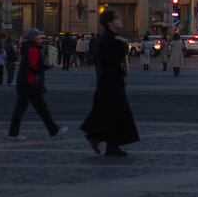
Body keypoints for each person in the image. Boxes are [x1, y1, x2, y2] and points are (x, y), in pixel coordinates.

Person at [80, 10, 140, 156]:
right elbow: (111, 59)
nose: (120, 20)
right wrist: (122, 45)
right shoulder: (109, 39)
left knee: (108, 113)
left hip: (110, 81)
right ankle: (109, 145)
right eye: (117, 18)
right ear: (110, 22)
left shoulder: (111, 37)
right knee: (116, 113)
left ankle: (101, 139)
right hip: (110, 82)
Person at [7, 28, 67, 141]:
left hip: (26, 84)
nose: (41, 39)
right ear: (34, 38)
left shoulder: (29, 48)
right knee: (42, 110)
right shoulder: (34, 50)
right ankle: (54, 131)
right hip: (31, 85)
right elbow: (33, 67)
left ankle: (13, 133)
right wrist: (47, 66)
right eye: (39, 37)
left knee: (21, 111)